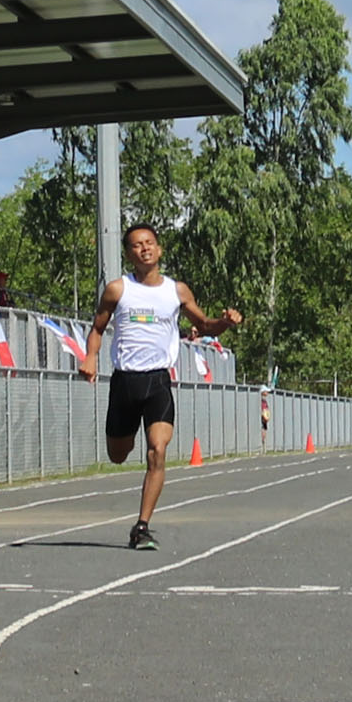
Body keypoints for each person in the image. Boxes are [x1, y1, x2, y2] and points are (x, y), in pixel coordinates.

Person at [79, 223, 242, 550]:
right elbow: (97, 328)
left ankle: (142, 526)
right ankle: (126, 446)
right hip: (125, 381)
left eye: (150, 243)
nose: (145, 249)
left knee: (158, 450)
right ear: (129, 254)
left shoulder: (176, 291)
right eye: (137, 245)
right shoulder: (117, 290)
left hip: (157, 380)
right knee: (118, 455)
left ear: (159, 249)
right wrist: (90, 357)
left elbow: (205, 324)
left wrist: (225, 322)